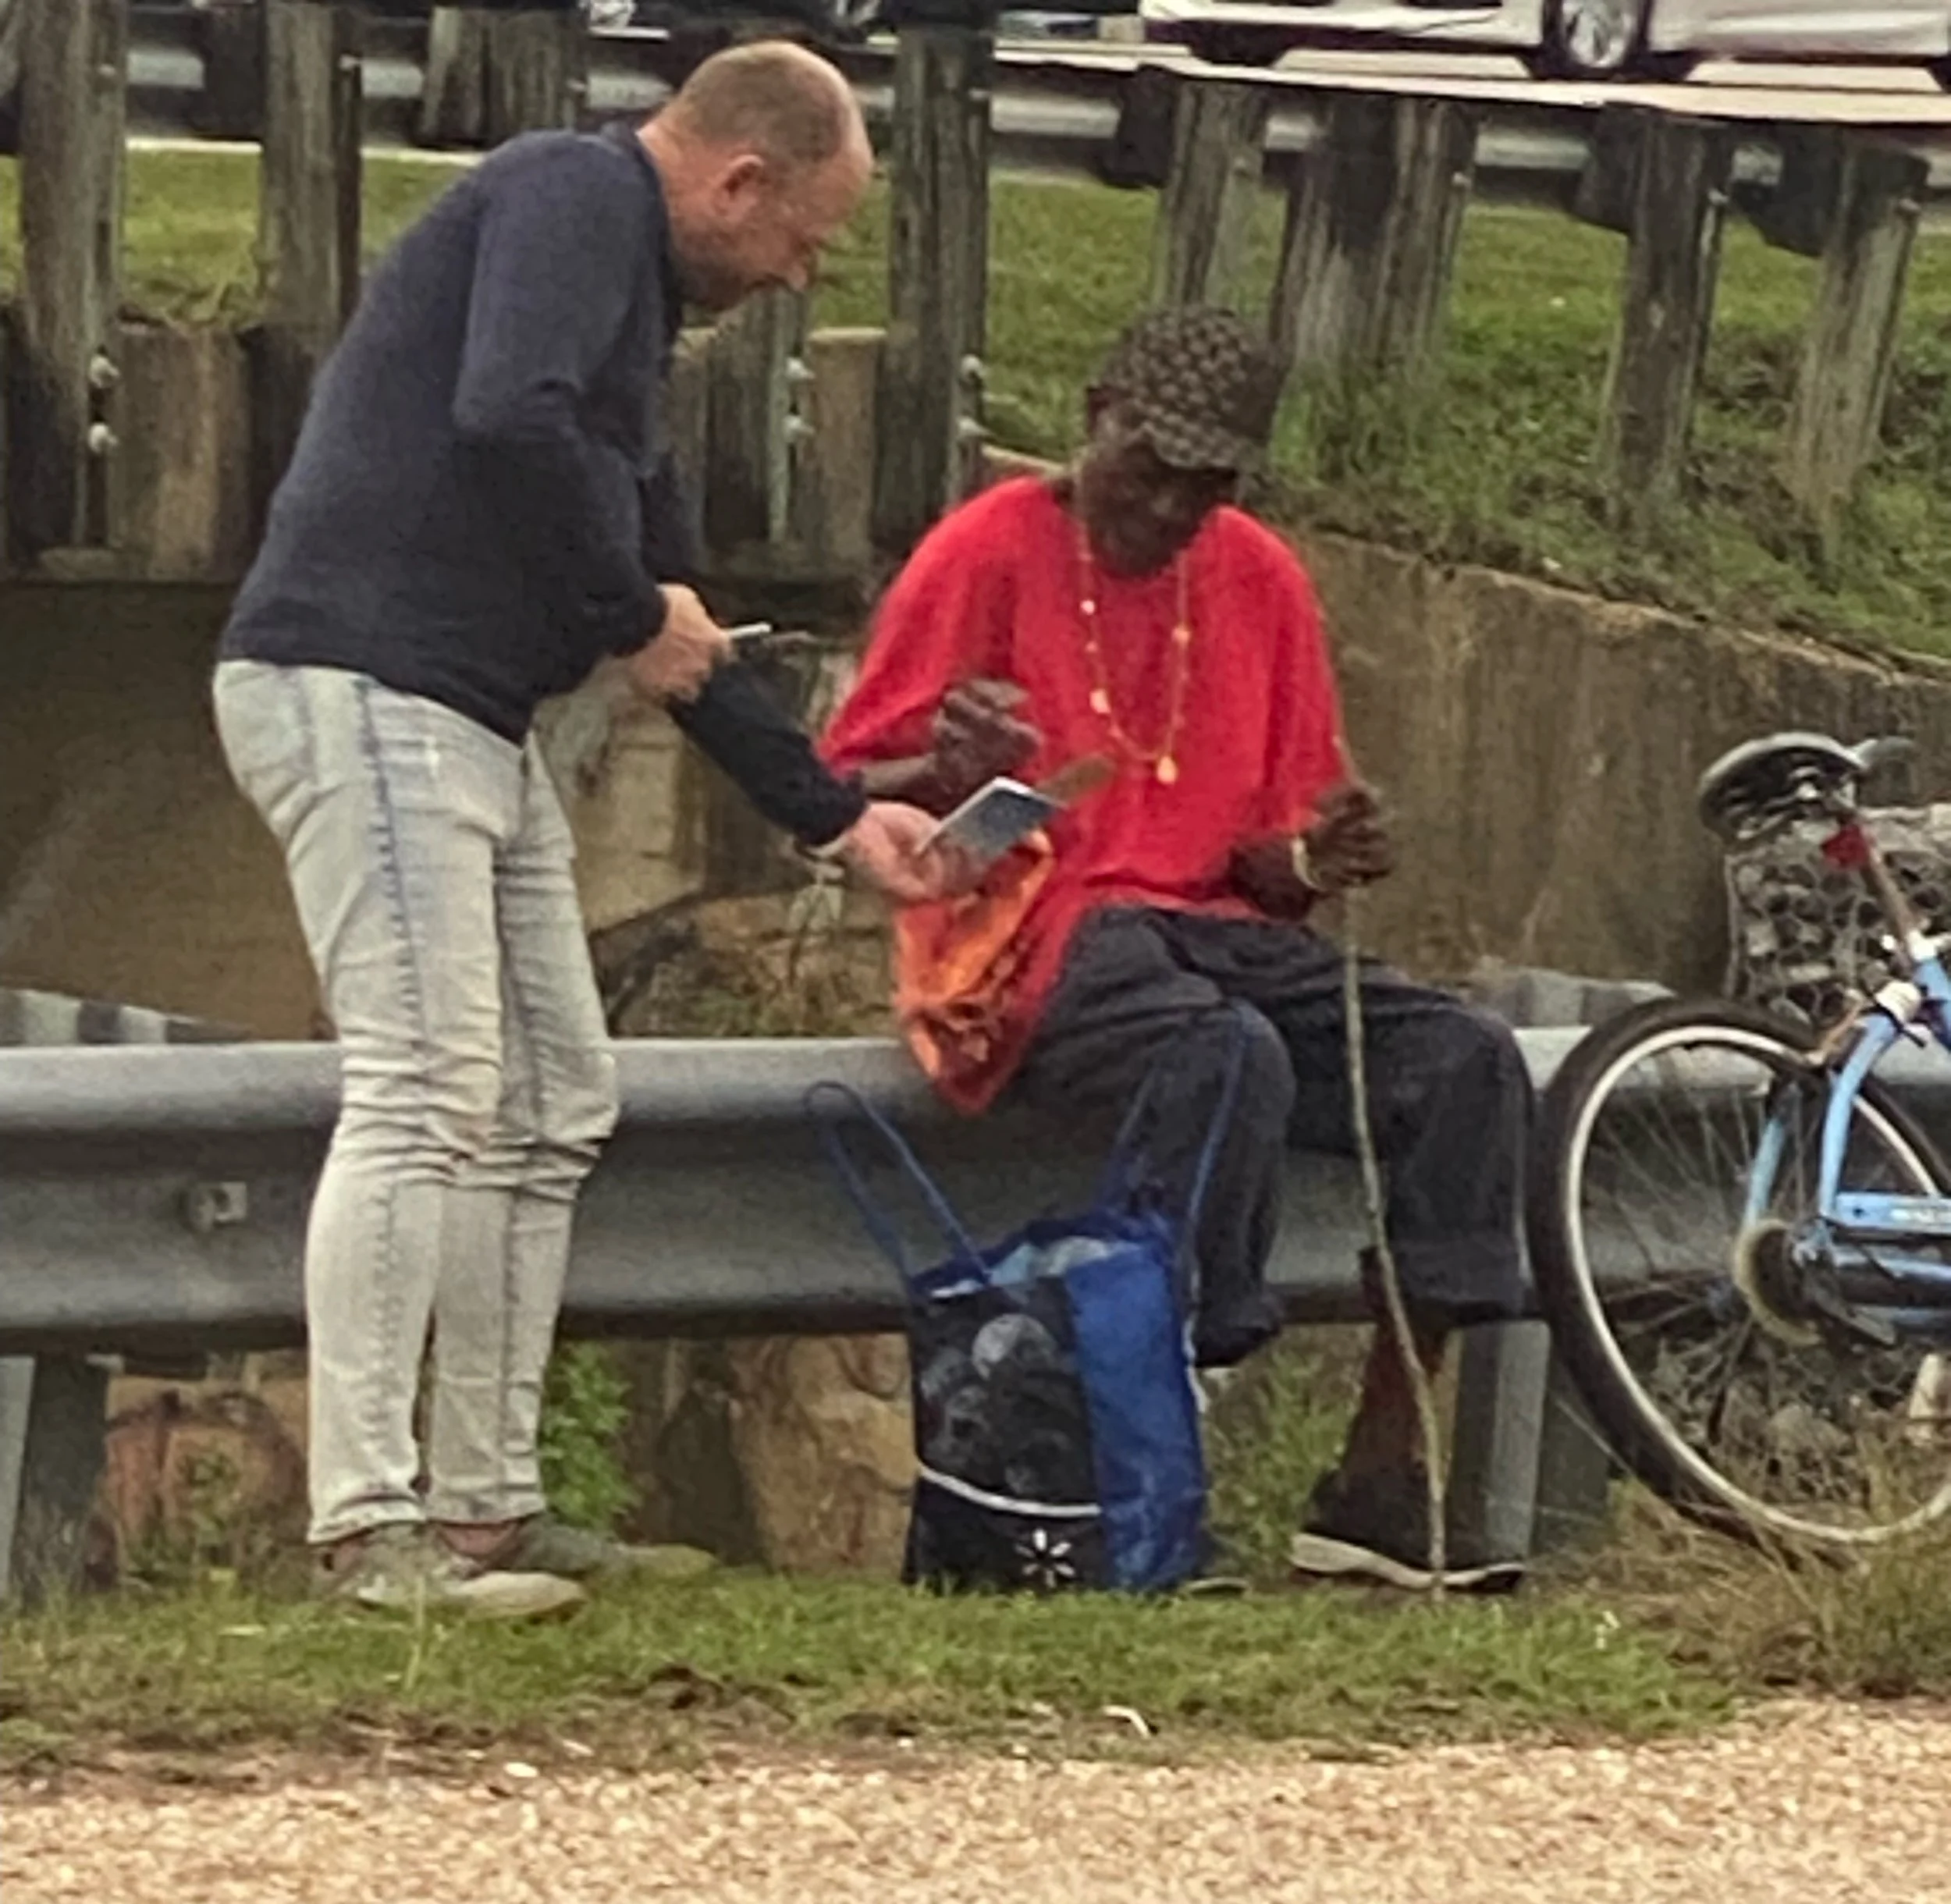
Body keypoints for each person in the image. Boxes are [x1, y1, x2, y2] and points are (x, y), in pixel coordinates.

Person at [213, 43, 944, 1618]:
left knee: (551, 1095)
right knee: (425, 1090)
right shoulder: (570, 194)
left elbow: (672, 609)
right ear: (739, 179)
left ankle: (486, 1506)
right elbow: (505, 417)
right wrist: (621, 608)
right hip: (366, 686)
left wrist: (836, 817)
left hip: (477, 721)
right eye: (803, 238)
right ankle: (366, 1527)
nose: (800, 275)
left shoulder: (632, 321)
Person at [821, 307, 1535, 1591]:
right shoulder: (984, 549)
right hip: (1033, 933)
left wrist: (1325, 854)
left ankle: (1379, 1478)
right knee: (1225, 1056)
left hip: (1211, 932)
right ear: (1096, 417)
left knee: (1466, 1063)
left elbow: (1272, 865)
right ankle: (1148, 1466)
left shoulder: (1257, 576)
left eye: (1203, 487)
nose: (1165, 507)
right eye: (1147, 468)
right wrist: (944, 766)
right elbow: (843, 796)